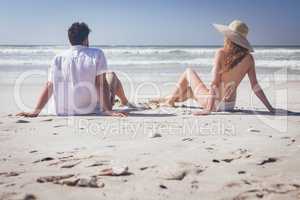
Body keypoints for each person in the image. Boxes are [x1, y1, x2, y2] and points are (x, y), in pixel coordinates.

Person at [157, 20, 275, 115]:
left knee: (189, 71)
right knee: (189, 91)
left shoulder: (221, 53)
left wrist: (208, 109)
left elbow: (215, 82)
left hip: (214, 103)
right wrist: (270, 108)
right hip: (230, 105)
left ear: (228, 37)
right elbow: (255, 86)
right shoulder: (249, 59)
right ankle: (179, 97)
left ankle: (169, 101)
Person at [17, 22, 130, 117]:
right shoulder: (97, 54)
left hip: (62, 111)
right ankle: (124, 101)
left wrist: (35, 112)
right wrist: (108, 111)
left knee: (108, 76)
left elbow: (49, 86)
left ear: (70, 39)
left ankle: (122, 101)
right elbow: (100, 84)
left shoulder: (58, 58)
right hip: (90, 109)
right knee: (111, 75)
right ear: (86, 39)